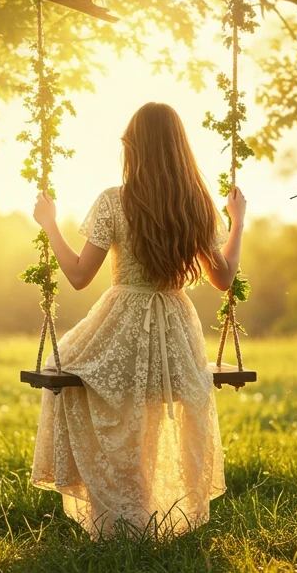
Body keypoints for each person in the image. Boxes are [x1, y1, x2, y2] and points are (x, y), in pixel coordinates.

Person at [30, 101, 246, 539]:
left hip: (120, 324)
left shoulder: (114, 200)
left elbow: (78, 276)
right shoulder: (196, 203)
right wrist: (238, 222)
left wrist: (49, 225)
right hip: (176, 328)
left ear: (134, 147)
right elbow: (223, 279)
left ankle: (122, 516)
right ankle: (145, 516)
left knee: (66, 374)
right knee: (148, 413)